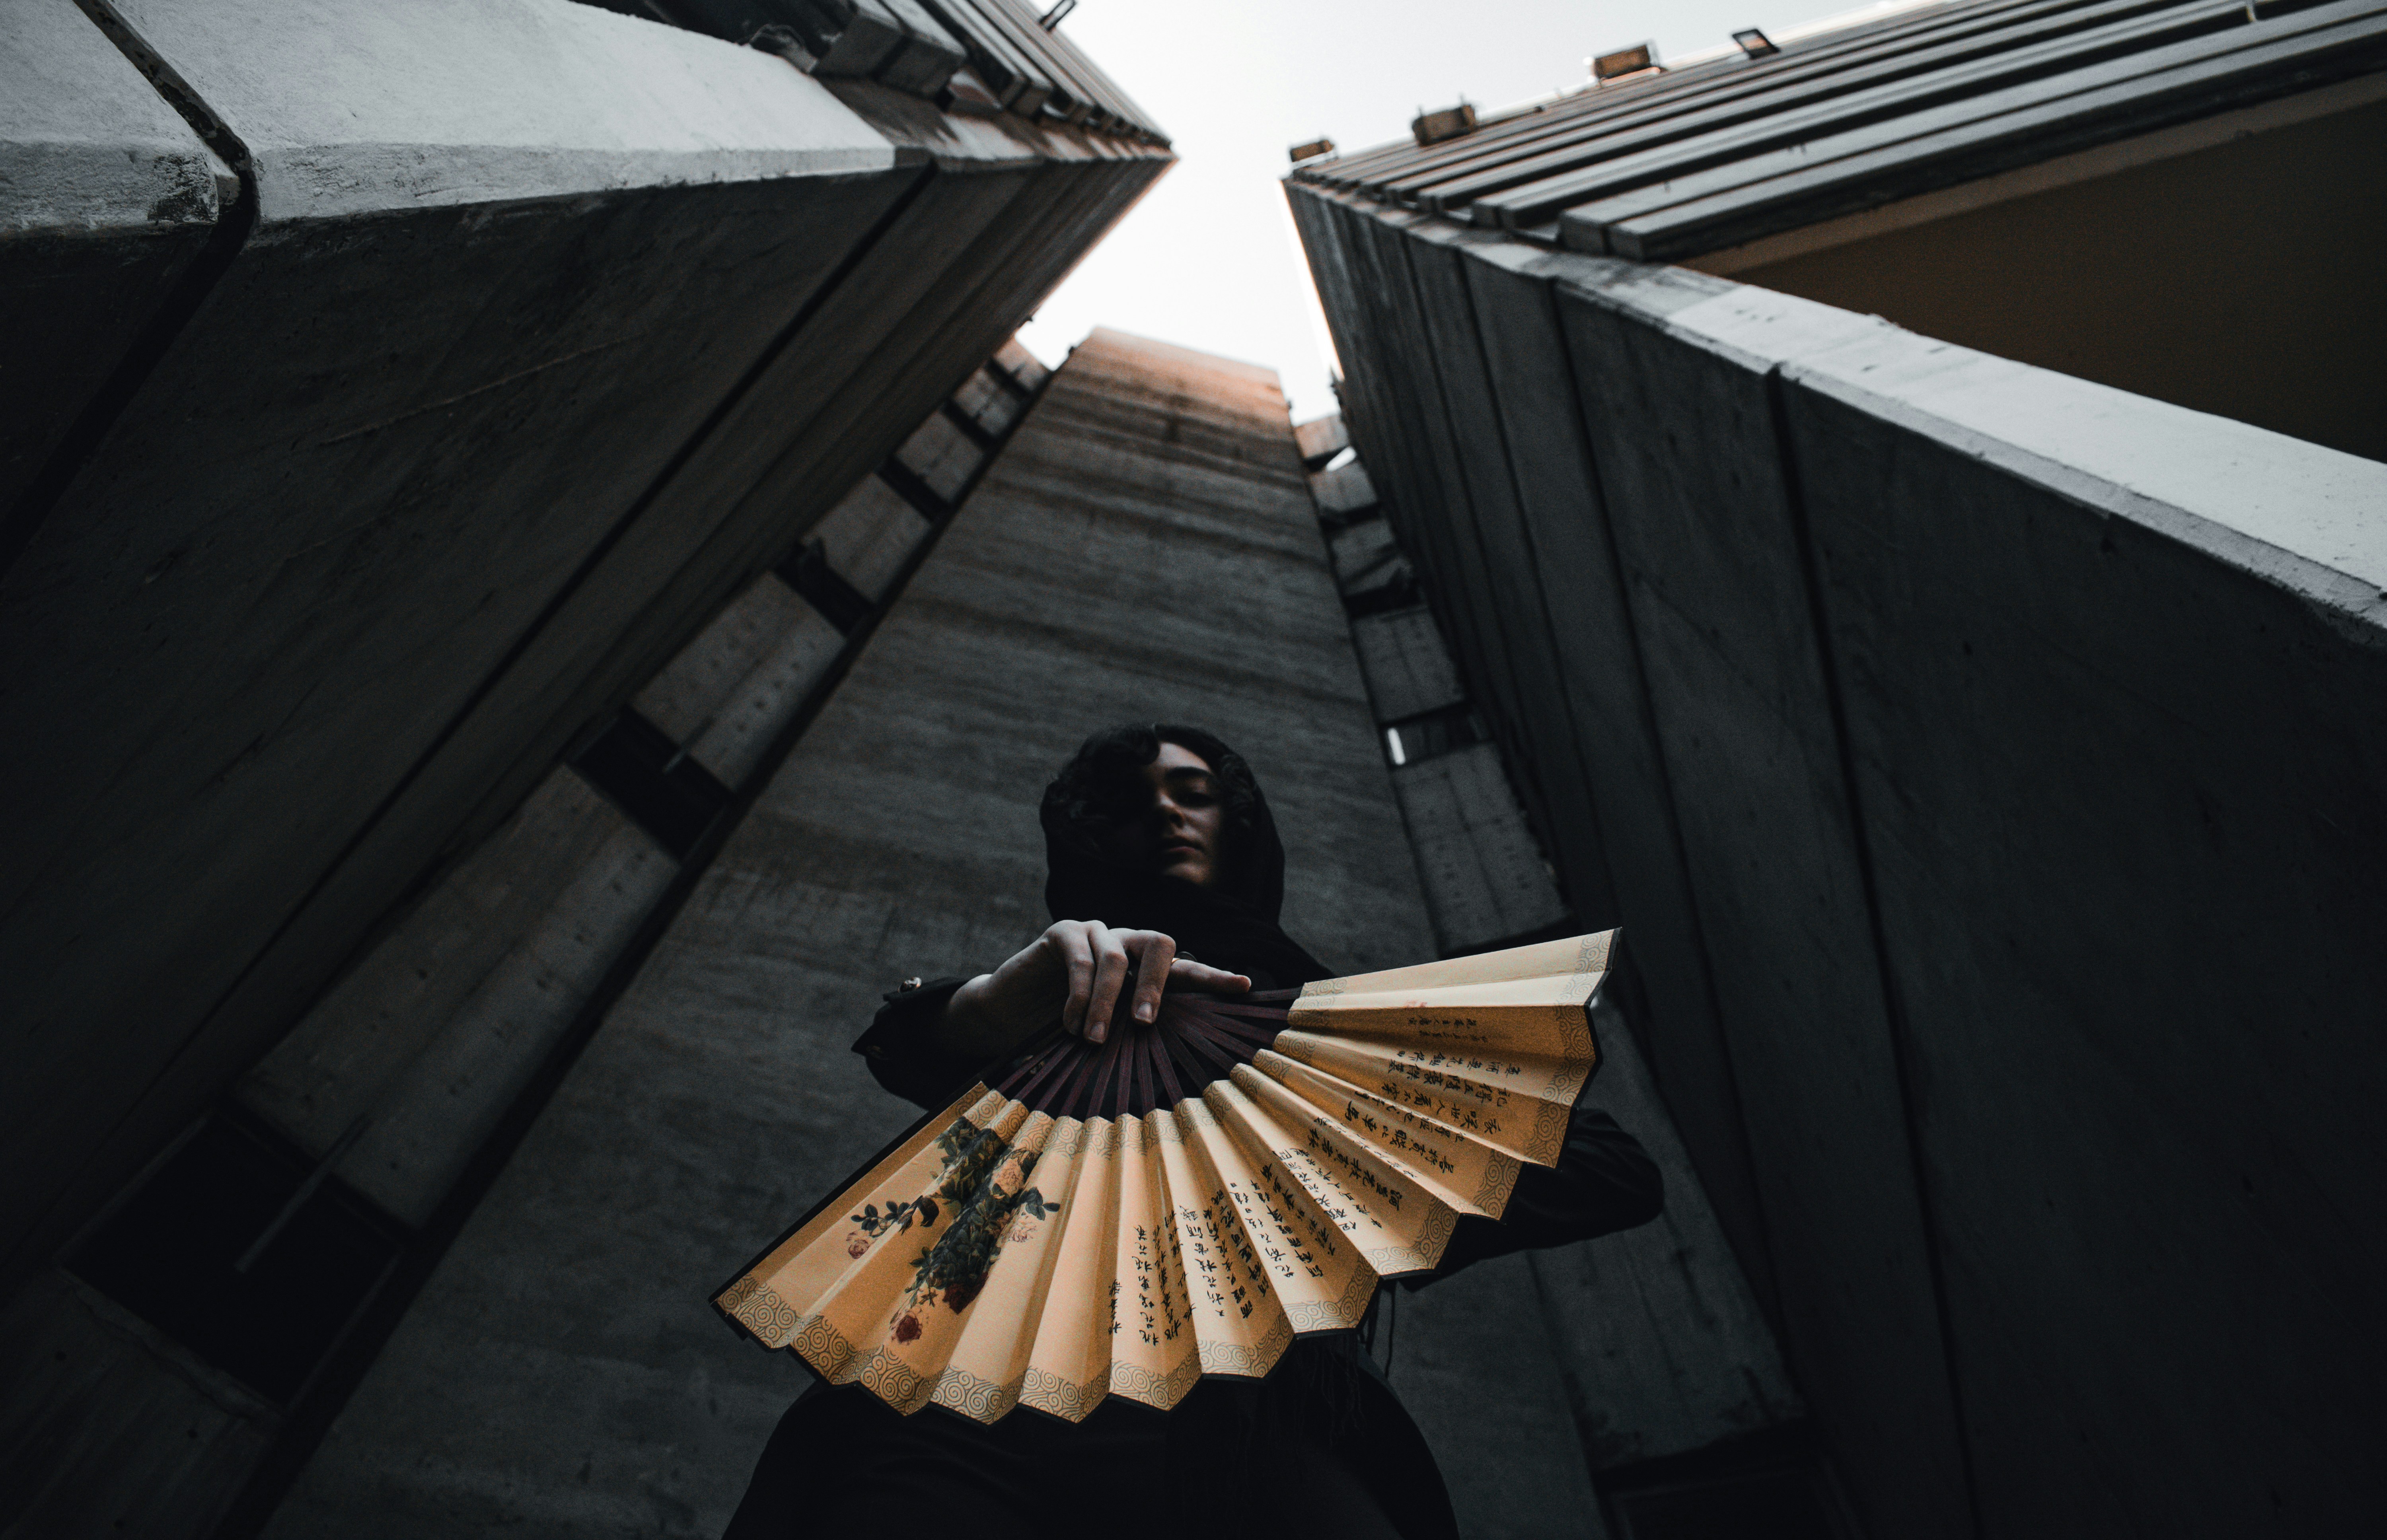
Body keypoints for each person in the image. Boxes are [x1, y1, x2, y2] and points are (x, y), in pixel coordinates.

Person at [722, 724, 1663, 1540]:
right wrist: (994, 1003)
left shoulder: (1323, 1029)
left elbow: (1608, 1166)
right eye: (1134, 802)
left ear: (1237, 822)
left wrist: (1340, 1189)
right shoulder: (1062, 987)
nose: (1167, 813)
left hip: (1259, 1425)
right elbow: (915, 1043)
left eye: (1194, 792)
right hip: (962, 1397)